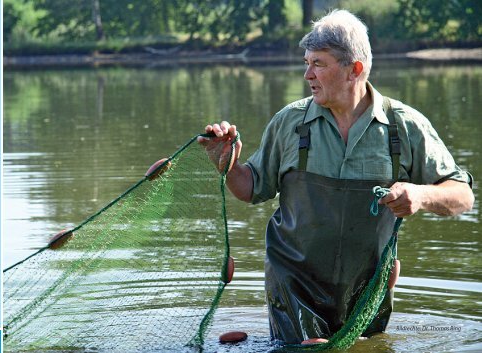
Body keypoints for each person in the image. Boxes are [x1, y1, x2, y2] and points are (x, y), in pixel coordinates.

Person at [195, 9, 475, 345]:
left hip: (369, 286)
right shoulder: (290, 122)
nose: (307, 74)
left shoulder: (405, 126)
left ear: (353, 70)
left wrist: (420, 195)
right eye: (306, 62)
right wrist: (225, 164)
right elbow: (251, 187)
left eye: (319, 64)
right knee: (310, 349)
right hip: (293, 282)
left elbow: (462, 196)